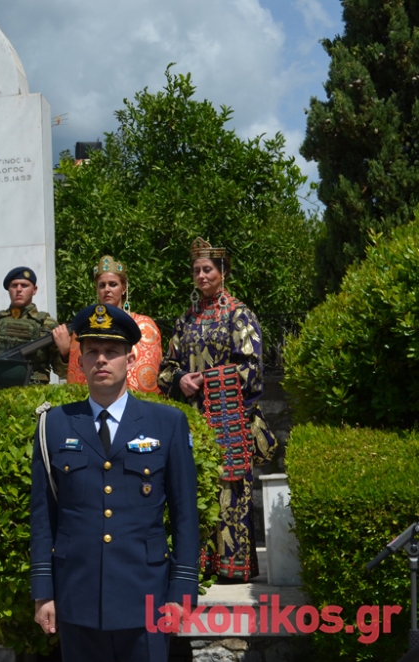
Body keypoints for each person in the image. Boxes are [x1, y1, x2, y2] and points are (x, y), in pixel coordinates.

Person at [30, 303, 199, 662]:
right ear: (79, 359)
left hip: (146, 597)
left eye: (111, 351)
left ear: (130, 357)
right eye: (91, 351)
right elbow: (43, 516)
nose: (101, 360)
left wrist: (181, 592)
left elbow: (185, 515)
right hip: (77, 596)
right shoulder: (54, 425)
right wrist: (44, 592)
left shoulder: (166, 423)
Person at [157, 238, 276, 582]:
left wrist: (206, 380)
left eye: (207, 269)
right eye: (196, 270)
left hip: (230, 420)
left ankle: (233, 569)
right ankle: (198, 566)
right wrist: (180, 379)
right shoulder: (186, 319)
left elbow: (251, 368)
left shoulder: (240, 314)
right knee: (194, 490)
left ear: (222, 272)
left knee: (231, 493)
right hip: (192, 423)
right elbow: (164, 370)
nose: (201, 275)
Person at [0, 266, 71, 389]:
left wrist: (65, 353)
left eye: (24, 285)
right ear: (8, 289)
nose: (19, 289)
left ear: (34, 290)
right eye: (14, 285)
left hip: (35, 396)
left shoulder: (48, 325)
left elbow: (62, 372)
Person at [68, 256, 162, 393]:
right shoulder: (83, 328)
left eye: (113, 284)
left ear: (123, 288)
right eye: (102, 285)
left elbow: (148, 380)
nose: (107, 289)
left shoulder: (145, 326)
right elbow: (77, 378)